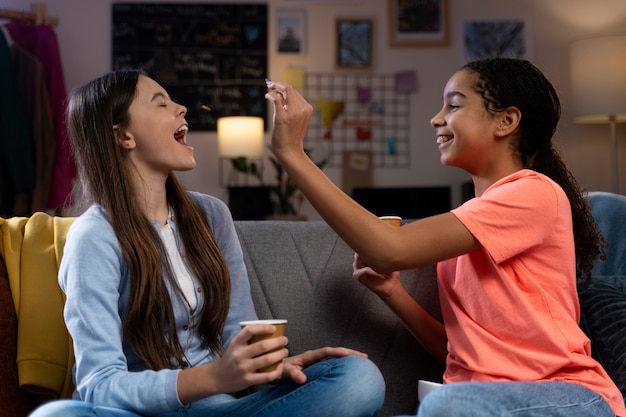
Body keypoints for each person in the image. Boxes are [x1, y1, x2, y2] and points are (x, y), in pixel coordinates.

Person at [264, 58, 626, 417]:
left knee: (447, 404)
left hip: (570, 399)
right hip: (480, 402)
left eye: (453, 105)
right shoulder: (470, 223)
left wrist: (292, 153)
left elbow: (390, 249)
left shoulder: (533, 193)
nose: (436, 118)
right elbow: (464, 353)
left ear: (507, 120)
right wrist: (393, 293)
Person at [28, 69, 385, 417]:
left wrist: (271, 366)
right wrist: (213, 377)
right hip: (141, 411)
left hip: (225, 408)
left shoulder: (211, 215)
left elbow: (237, 333)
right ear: (124, 136)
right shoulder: (94, 236)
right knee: (58, 414)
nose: (181, 108)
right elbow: (98, 385)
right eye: (161, 103)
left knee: (358, 378)